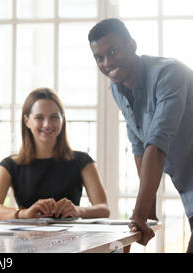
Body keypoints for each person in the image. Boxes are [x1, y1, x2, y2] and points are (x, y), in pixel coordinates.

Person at [88, 18, 193, 252]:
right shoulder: (117, 87)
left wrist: (139, 214)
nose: (108, 62)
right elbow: (139, 148)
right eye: (99, 57)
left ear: (132, 45)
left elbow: (156, 144)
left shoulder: (169, 74)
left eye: (113, 51)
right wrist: (150, 211)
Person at [0, 88, 110, 220]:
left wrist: (77, 210)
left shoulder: (82, 161)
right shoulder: (9, 165)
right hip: (26, 239)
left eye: (54, 117)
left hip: (70, 238)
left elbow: (104, 209)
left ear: (62, 119)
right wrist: (24, 214)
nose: (47, 124)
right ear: (27, 120)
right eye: (39, 117)